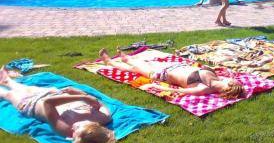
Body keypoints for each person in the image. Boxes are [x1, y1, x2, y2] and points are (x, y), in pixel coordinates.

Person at [0, 67, 115, 143]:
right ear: (93, 127)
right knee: (26, 88)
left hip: (30, 104)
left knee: (9, 94)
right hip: (53, 94)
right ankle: (7, 81)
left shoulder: (65, 130)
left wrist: (81, 97)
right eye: (77, 131)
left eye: (73, 137)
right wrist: (83, 94)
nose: (72, 133)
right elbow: (97, 102)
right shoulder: (105, 117)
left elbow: (47, 103)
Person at [98, 49, 245, 99]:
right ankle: (122, 59)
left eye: (231, 81)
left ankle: (111, 62)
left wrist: (155, 87)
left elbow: (178, 90)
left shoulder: (204, 88)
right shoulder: (217, 77)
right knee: (139, 64)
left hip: (160, 74)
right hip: (173, 66)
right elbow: (230, 76)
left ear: (227, 87)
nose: (231, 79)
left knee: (136, 67)